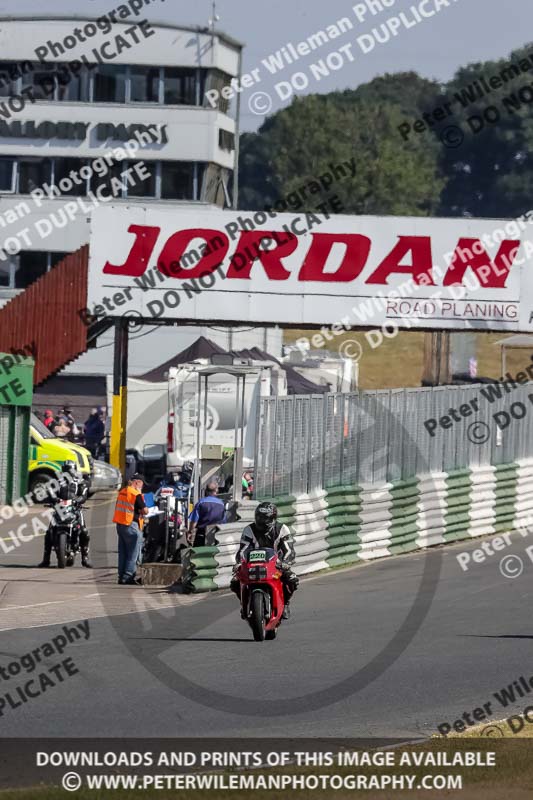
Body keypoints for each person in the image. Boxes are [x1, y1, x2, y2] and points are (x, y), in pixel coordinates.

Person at [230, 502, 299, 619]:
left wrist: (286, 562)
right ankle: (244, 604)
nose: (261, 521)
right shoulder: (249, 529)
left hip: (276, 565)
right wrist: (239, 563)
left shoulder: (282, 529)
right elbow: (243, 550)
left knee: (292, 580)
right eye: (259, 517)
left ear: (273, 518)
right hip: (253, 565)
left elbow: (289, 550)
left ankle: (285, 603)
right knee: (235, 582)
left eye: (264, 518)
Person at [38, 461, 92, 568]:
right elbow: (51, 492)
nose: (69, 472)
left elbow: (83, 494)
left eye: (70, 470)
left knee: (84, 531)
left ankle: (85, 558)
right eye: (67, 470)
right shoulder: (56, 482)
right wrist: (55, 499)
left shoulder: (80, 482)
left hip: (75, 509)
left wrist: (77, 501)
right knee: (49, 532)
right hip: (60, 509)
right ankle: (46, 559)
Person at [113, 473, 148, 585]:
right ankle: (128, 576)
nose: (142, 487)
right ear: (137, 482)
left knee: (123, 552)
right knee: (133, 553)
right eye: (142, 484)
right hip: (131, 525)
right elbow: (145, 510)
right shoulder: (136, 494)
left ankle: (121, 576)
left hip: (120, 524)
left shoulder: (123, 491)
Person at [188, 482, 226, 547]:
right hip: (216, 536)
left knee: (199, 552)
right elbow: (224, 521)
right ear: (216, 491)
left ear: (206, 491)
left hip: (201, 535)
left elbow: (194, 521)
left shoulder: (201, 502)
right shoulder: (221, 504)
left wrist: (190, 532)